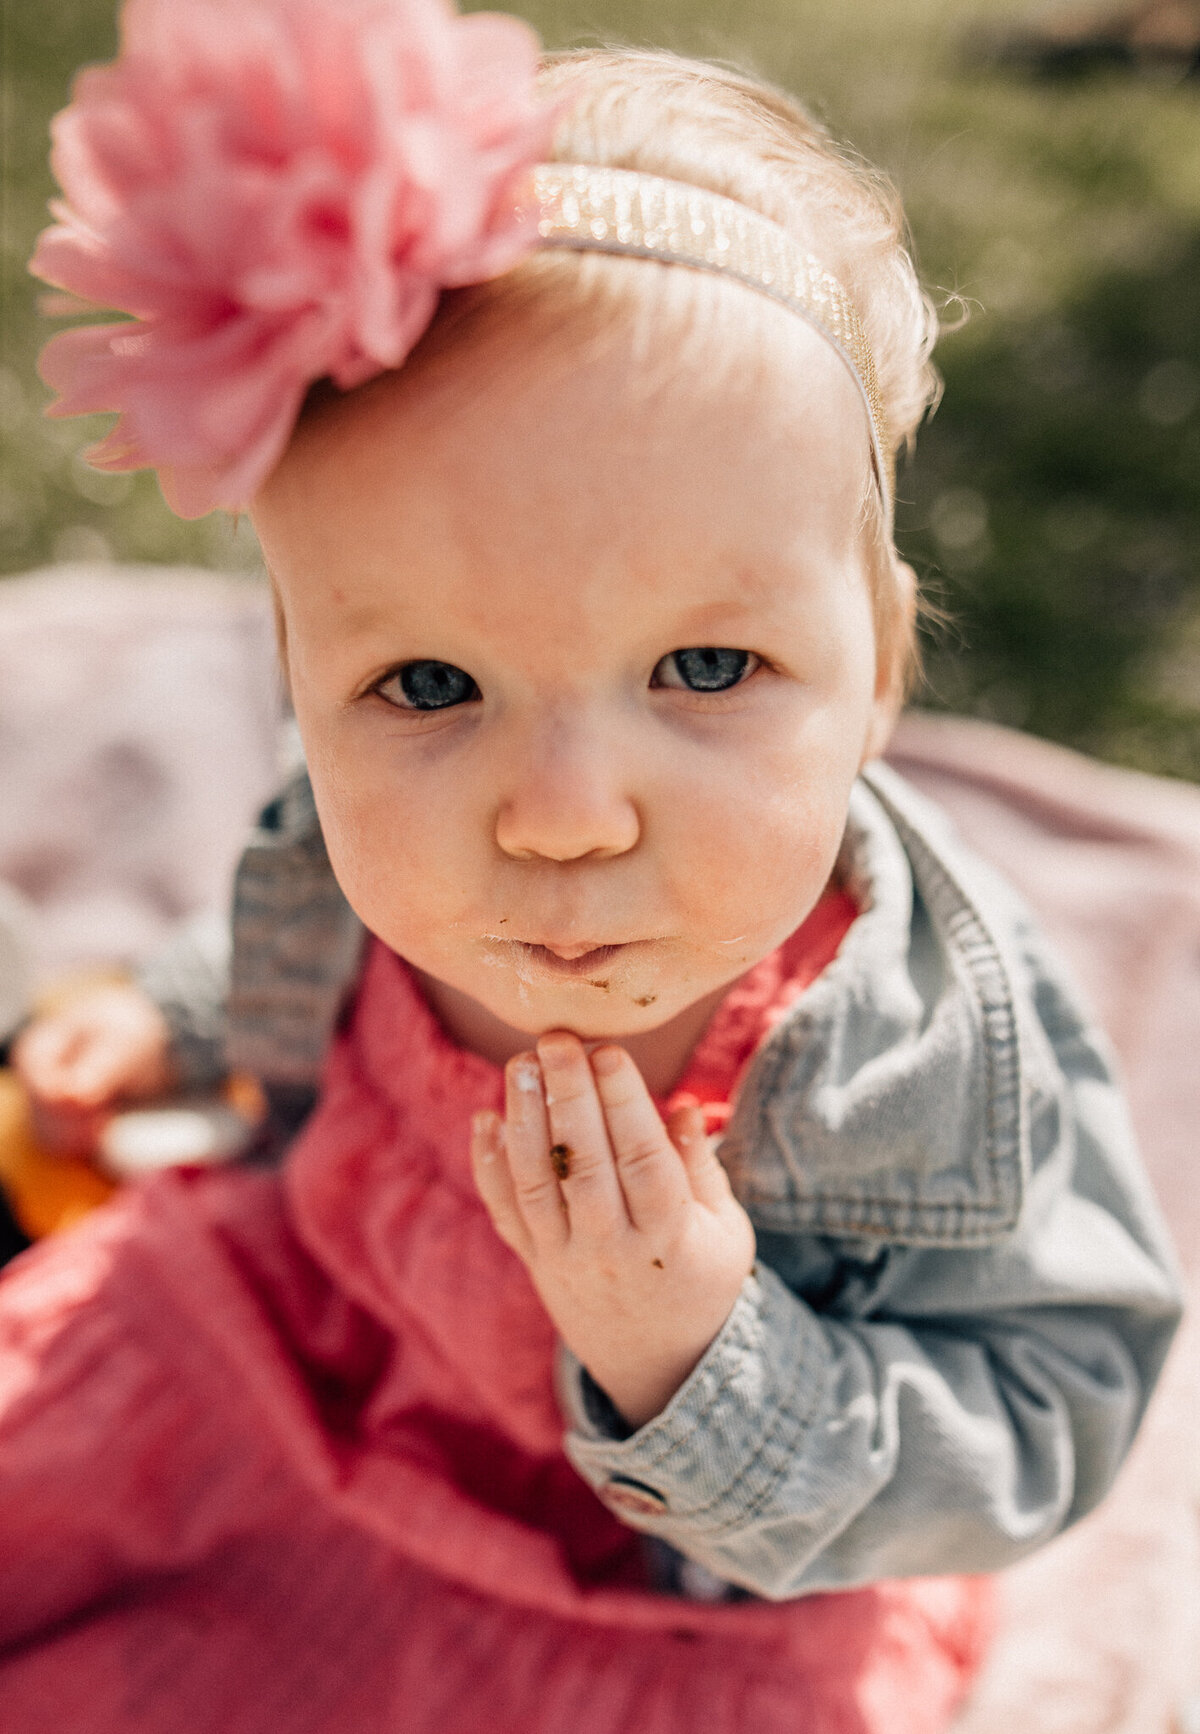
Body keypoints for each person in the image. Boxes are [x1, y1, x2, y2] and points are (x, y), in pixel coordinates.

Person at [1, 2, 1182, 1729]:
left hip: (650, 1593)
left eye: (705, 673)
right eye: (425, 686)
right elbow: (291, 931)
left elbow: (1047, 1415)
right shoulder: (354, 845)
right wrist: (172, 1022)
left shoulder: (924, 1055)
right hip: (289, 1365)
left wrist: (698, 1350)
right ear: (300, 679)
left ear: (880, 672)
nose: (562, 814)